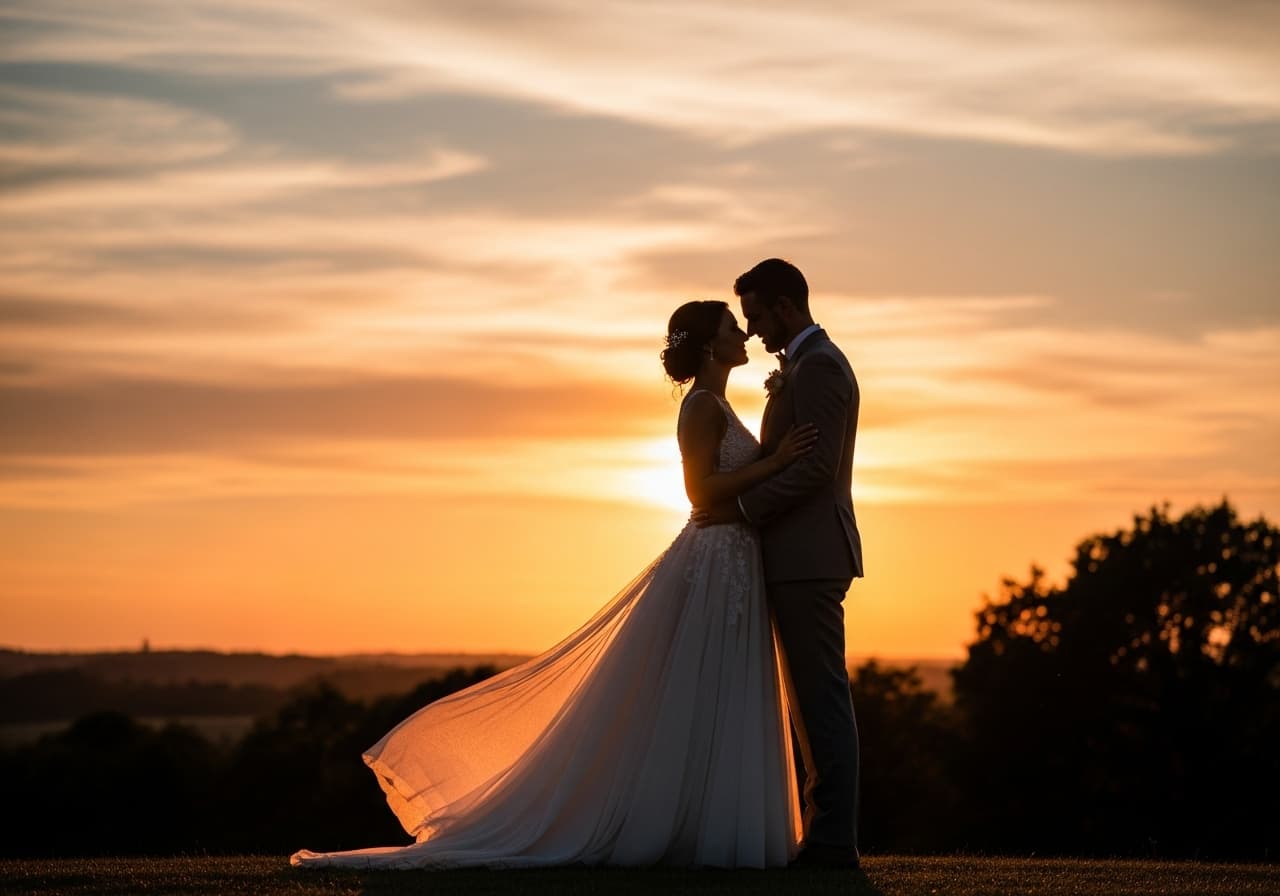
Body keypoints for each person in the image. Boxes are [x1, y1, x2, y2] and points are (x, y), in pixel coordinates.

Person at [291, 299, 817, 870]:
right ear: (711, 346)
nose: (742, 334)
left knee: (721, 692)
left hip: (734, 560)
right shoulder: (701, 408)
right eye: (730, 327)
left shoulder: (720, 403)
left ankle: (712, 826)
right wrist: (777, 461)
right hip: (713, 562)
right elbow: (699, 492)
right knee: (695, 691)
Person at [695, 258, 863, 869]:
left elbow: (816, 470)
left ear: (786, 308)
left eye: (757, 315)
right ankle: (823, 837)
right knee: (807, 700)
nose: (755, 330)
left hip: (810, 556)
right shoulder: (803, 366)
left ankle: (832, 843)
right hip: (794, 556)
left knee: (820, 700)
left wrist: (740, 507)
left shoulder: (818, 367)